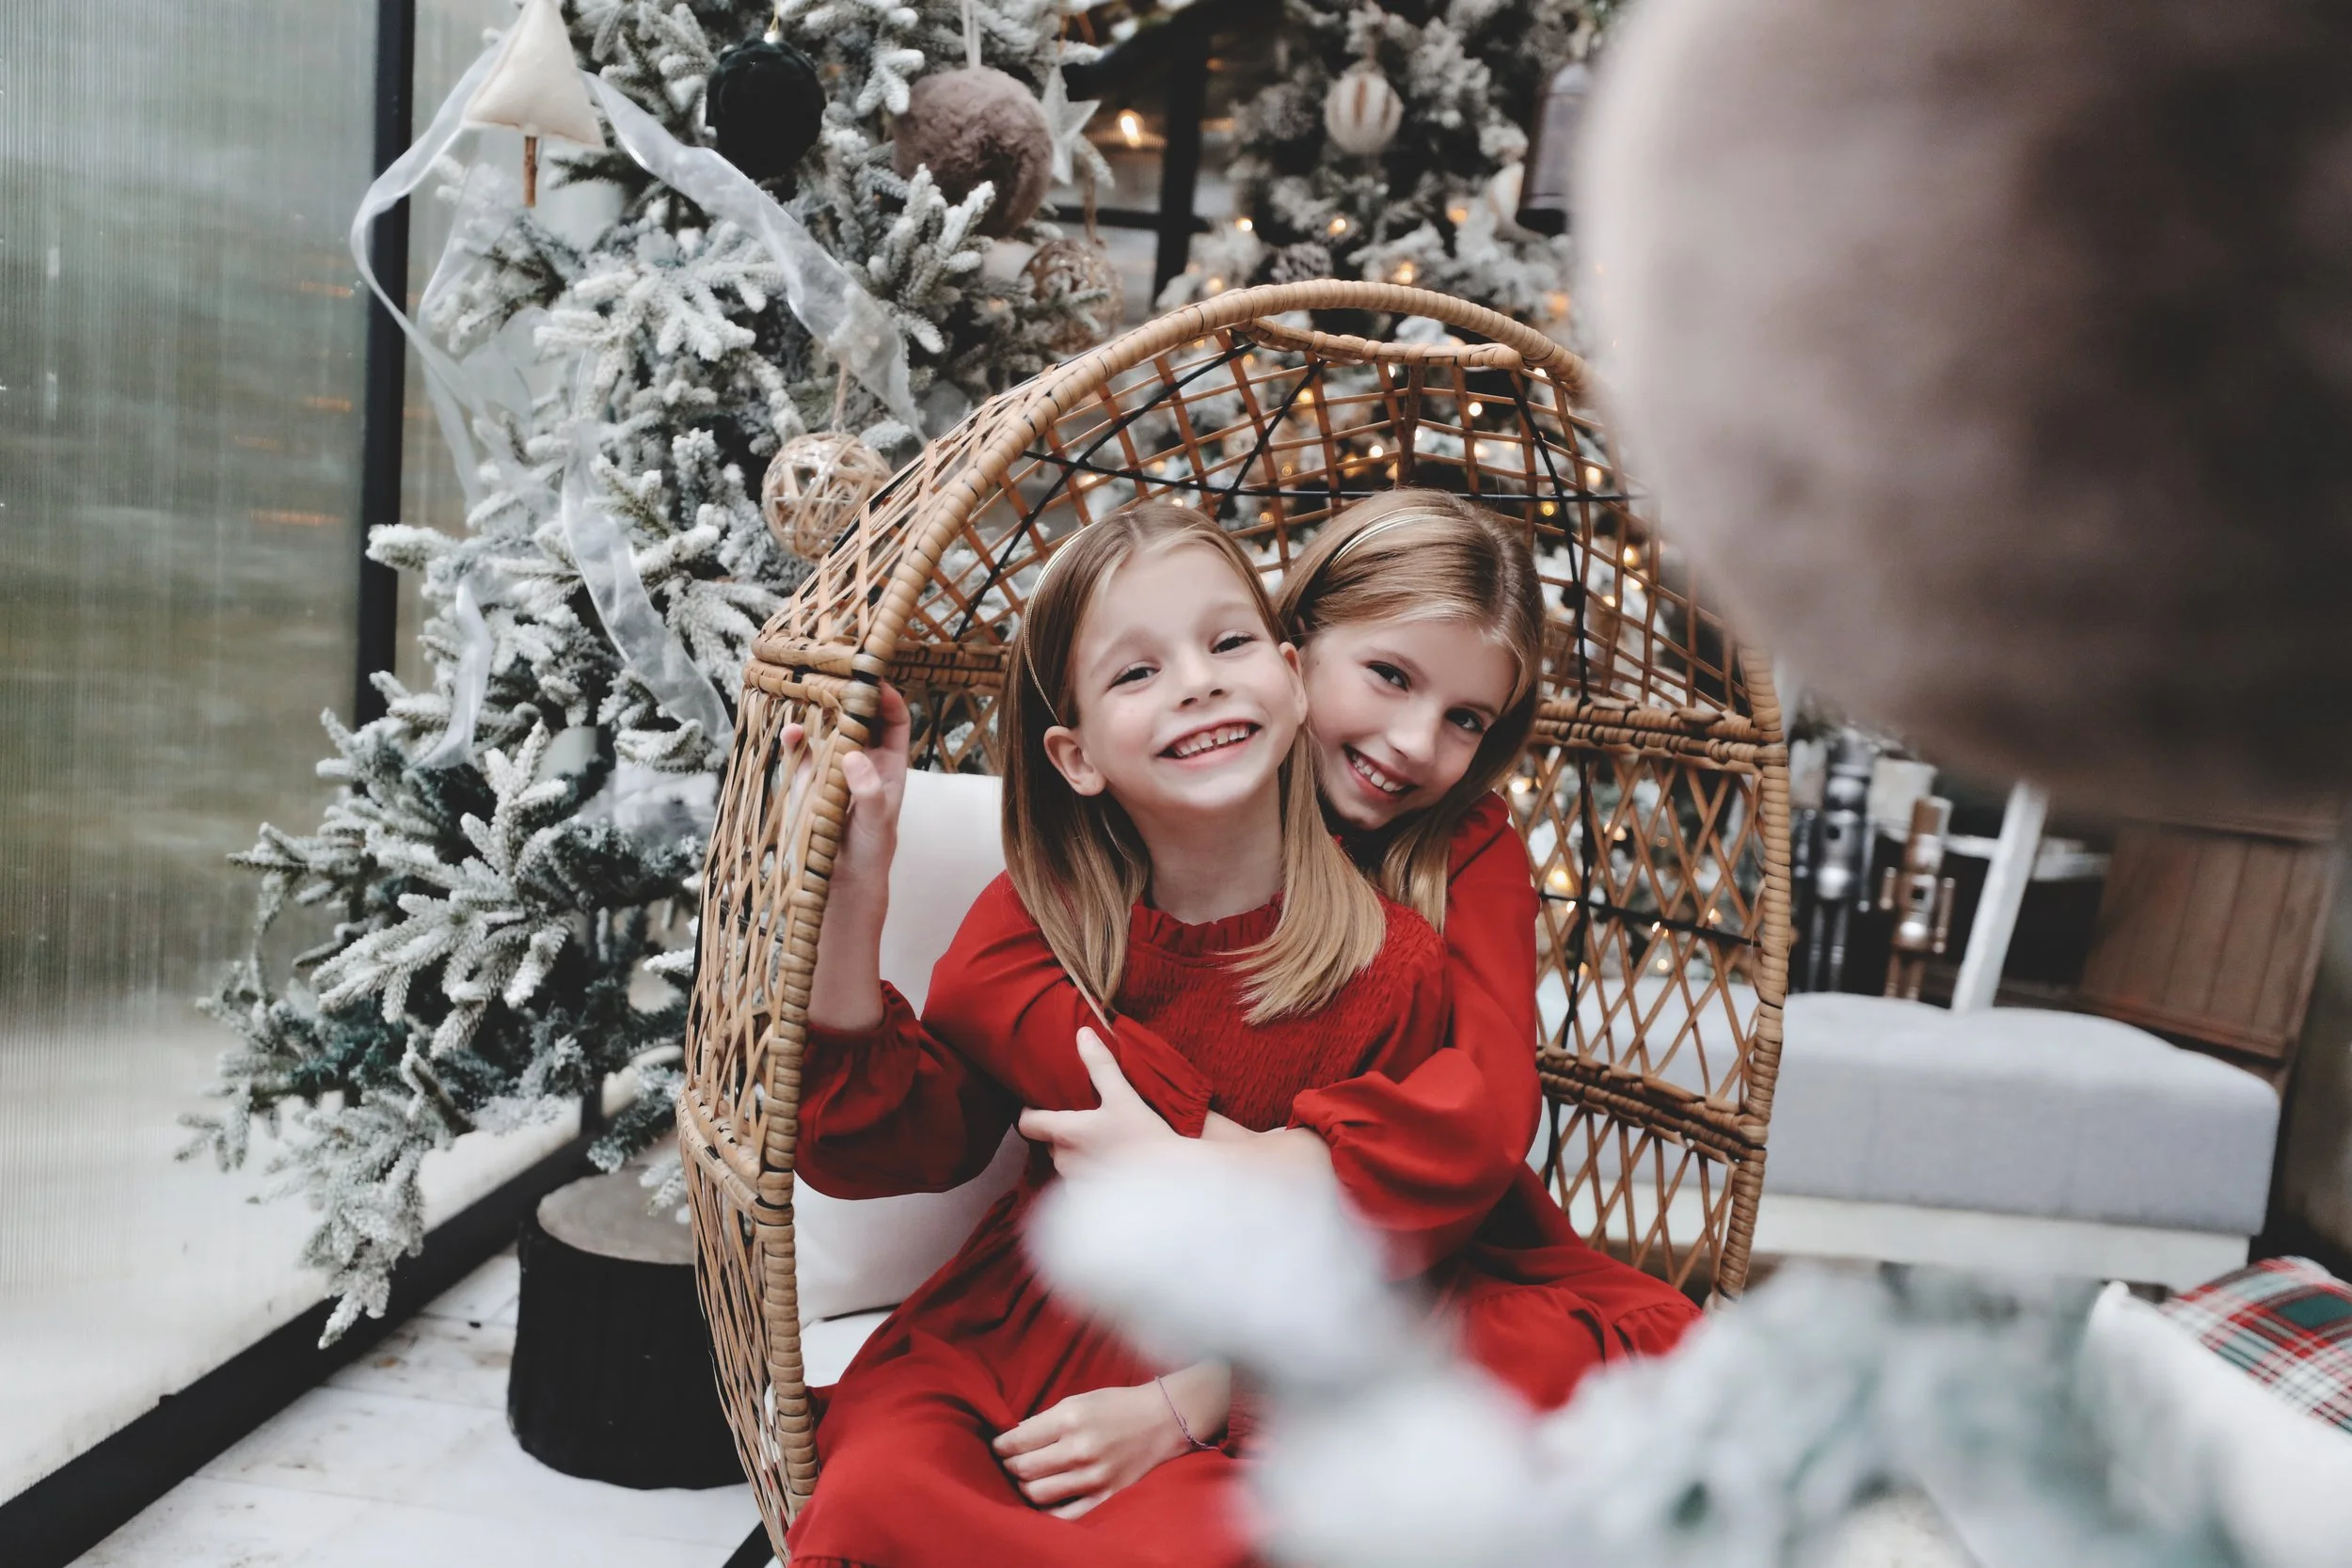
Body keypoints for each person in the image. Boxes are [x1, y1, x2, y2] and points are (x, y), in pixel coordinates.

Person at [785, 500, 1456, 1568]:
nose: (1196, 679)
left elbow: (1394, 1252)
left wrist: (1187, 1404)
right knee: (877, 1493)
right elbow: (891, 1141)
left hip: (1239, 1373)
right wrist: (857, 883)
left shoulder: (1397, 964)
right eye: (1134, 673)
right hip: (1016, 1332)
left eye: (1227, 642)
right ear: (1076, 754)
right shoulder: (1039, 923)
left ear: (1289, 678)